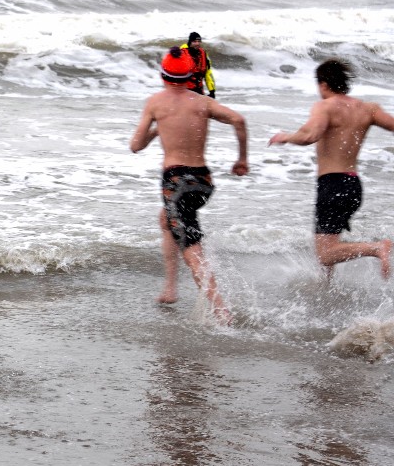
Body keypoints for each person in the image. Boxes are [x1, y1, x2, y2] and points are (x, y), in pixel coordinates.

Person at [129, 47, 249, 324]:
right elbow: (238, 120)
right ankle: (170, 288)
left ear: (162, 75)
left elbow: (136, 146)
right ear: (189, 76)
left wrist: (158, 128)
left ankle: (221, 311)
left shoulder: (155, 103)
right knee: (167, 221)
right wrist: (241, 159)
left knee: (191, 248)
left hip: (176, 183)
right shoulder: (202, 102)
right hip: (202, 181)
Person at [268, 58, 393, 280]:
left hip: (332, 185)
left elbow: (310, 136)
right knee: (330, 243)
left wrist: (284, 137)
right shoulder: (367, 109)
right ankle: (326, 286)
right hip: (353, 185)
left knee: (325, 254)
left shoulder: (325, 106)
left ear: (324, 84)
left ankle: (376, 248)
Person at [180, 32, 217, 98]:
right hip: (185, 92)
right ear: (190, 42)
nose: (197, 43)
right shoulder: (182, 53)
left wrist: (212, 91)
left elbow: (208, 73)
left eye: (199, 41)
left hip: (199, 91)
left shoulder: (204, 54)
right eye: (194, 41)